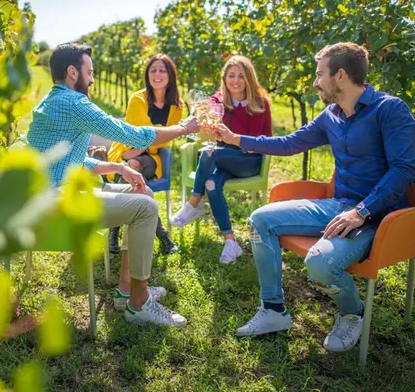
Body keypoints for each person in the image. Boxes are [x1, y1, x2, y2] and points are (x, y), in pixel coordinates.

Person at [213, 42, 415, 353]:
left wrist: (361, 211)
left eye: (320, 74)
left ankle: (352, 313)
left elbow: (403, 171)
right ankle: (273, 310)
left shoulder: (389, 110)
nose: (315, 81)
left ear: (340, 76)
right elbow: (288, 143)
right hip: (338, 205)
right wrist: (234, 138)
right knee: (259, 220)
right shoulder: (331, 115)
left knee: (320, 263)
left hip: (376, 216)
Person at [27, 43, 201, 327]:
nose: (92, 79)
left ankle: (126, 290)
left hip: (54, 194)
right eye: (89, 72)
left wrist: (119, 167)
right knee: (145, 208)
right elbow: (131, 135)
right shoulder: (73, 103)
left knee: (143, 191)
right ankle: (139, 303)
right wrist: (183, 128)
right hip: (58, 203)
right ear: (73, 72)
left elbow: (71, 160)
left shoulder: (53, 102)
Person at [170, 55, 272, 264]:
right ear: (225, 78)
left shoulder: (260, 103)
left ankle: (194, 203)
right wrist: (209, 118)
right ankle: (230, 241)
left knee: (209, 152)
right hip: (224, 158)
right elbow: (211, 108)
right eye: (231, 75)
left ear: (249, 78)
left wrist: (238, 142)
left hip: (248, 161)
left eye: (241, 76)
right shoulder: (219, 101)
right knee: (211, 183)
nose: (235, 80)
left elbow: (265, 139)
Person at [106, 53, 184, 256]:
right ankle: (164, 237)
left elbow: (165, 138)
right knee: (132, 167)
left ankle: (113, 230)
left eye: (162, 70)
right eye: (153, 70)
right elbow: (141, 133)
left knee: (132, 165)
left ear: (170, 75)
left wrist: (143, 146)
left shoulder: (177, 106)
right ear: (147, 75)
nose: (157, 75)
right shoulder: (138, 99)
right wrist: (157, 135)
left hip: (151, 157)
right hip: (125, 151)